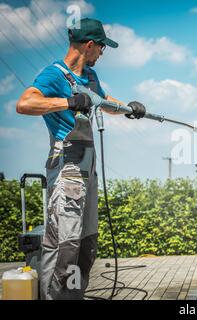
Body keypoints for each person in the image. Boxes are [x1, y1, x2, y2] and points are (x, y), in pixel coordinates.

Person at [16, 18, 146, 300]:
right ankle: (55, 297)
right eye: (101, 48)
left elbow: (102, 100)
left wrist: (127, 108)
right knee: (65, 241)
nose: (102, 53)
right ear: (89, 45)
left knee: (86, 241)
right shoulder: (54, 75)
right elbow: (24, 103)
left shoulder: (90, 77)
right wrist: (68, 102)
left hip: (88, 164)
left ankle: (74, 296)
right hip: (68, 166)